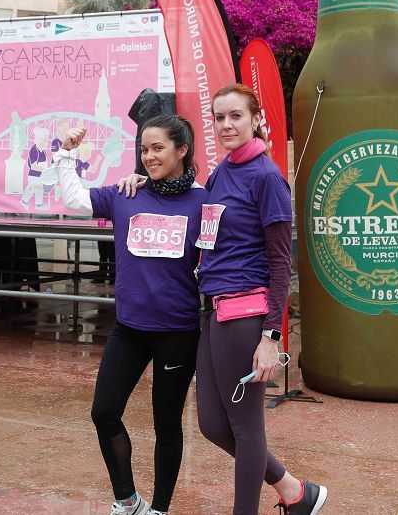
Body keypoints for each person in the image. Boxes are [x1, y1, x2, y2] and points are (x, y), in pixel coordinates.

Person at [120, 85, 327, 515]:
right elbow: (193, 209)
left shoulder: (267, 177)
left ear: (255, 119)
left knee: (247, 428)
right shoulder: (221, 173)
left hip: (247, 313)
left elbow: (280, 261)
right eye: (218, 118)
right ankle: (294, 491)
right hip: (214, 312)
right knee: (213, 425)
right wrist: (146, 183)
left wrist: (272, 335)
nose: (226, 125)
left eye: (235, 116)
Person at [56, 115, 206, 515]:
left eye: (158, 148)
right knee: (104, 412)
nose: (149, 156)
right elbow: (75, 201)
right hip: (130, 329)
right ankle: (128, 499)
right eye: (143, 149)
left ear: (181, 150)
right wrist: (66, 154)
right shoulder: (127, 193)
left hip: (178, 332)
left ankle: (159, 509)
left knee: (167, 424)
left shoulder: (203, 201)